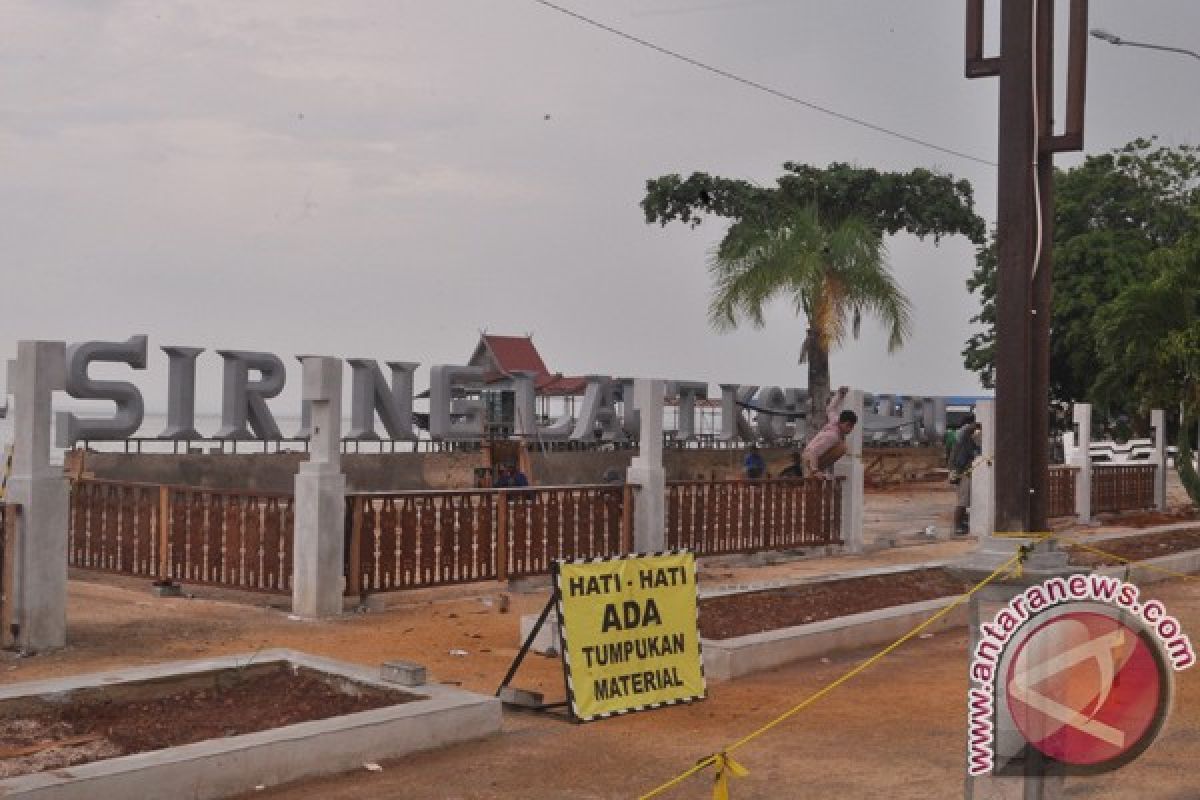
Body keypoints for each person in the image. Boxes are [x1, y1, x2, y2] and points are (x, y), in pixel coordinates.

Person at [802, 386, 857, 477]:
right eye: (848, 426)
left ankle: (816, 472)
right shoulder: (832, 436)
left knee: (841, 445)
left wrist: (839, 395)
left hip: (811, 456)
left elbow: (830, 409)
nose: (850, 429)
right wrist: (815, 470)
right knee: (842, 448)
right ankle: (815, 472)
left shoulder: (835, 420)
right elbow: (812, 451)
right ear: (842, 422)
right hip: (810, 458)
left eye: (852, 426)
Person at [950, 414, 980, 536]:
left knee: (967, 499)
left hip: (962, 471)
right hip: (962, 472)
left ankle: (963, 523)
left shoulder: (963, 437)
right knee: (963, 500)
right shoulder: (963, 436)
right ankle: (957, 526)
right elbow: (961, 459)